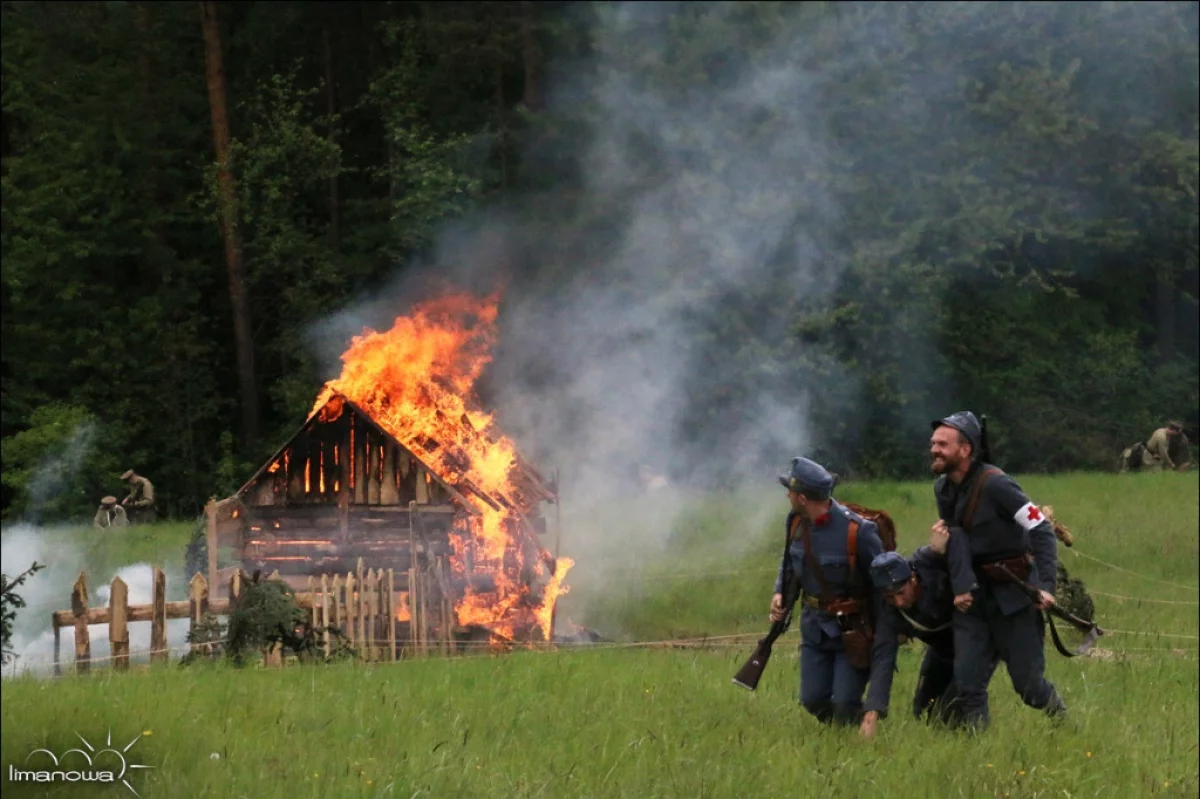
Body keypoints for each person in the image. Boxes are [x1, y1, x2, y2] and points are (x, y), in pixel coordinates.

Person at [930, 411, 1066, 731]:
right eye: (933, 443)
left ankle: (1064, 725)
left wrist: (1046, 585)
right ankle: (980, 748)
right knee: (968, 684)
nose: (934, 449)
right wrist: (961, 584)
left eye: (942, 444)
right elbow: (957, 539)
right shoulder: (943, 489)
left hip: (1015, 594)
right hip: (973, 597)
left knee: (1029, 687)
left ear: (965, 449)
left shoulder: (998, 484)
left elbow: (1040, 528)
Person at [769, 456, 885, 727]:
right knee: (811, 699)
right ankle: (842, 733)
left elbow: (881, 584)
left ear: (803, 499)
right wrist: (780, 593)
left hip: (852, 631)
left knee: (845, 702)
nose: (787, 495)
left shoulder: (859, 531)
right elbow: (789, 562)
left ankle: (855, 730)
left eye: (791, 491)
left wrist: (882, 635)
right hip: (814, 628)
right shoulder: (796, 523)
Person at [860, 527, 999, 739]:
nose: (898, 602)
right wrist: (872, 714)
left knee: (954, 706)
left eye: (901, 593)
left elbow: (966, 554)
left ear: (912, 578)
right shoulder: (890, 611)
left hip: (978, 641)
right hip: (943, 649)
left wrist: (941, 549)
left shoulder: (929, 561)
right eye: (890, 597)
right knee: (923, 710)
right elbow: (883, 659)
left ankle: (978, 742)